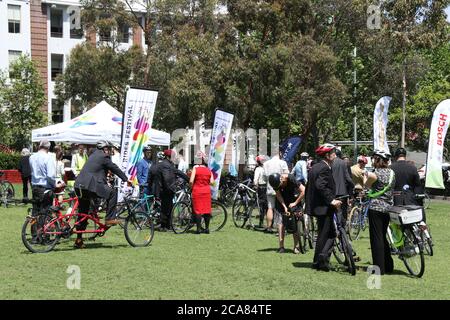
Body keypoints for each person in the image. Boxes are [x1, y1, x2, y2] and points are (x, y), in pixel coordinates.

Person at [73, 140, 131, 249]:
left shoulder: (93, 155)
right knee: (113, 192)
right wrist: (126, 179)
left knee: (83, 213)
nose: (109, 151)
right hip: (90, 185)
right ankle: (109, 218)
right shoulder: (104, 157)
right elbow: (114, 168)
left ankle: (79, 239)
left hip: (79, 185)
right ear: (105, 148)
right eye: (108, 149)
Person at [305, 143, 342, 272]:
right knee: (329, 234)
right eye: (333, 152)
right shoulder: (324, 168)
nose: (335, 154)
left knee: (324, 233)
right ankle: (321, 260)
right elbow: (321, 186)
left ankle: (317, 261)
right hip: (324, 206)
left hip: (317, 206)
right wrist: (332, 200)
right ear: (327, 155)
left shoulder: (315, 167)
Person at [365, 150, 395, 275]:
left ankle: (379, 268)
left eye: (374, 159)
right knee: (383, 237)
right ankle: (388, 265)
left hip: (376, 208)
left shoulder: (374, 173)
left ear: (378, 160)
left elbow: (366, 186)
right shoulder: (392, 173)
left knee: (376, 238)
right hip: (388, 208)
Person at [29, 140, 64, 242]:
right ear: (48, 148)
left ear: (40, 146)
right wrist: (55, 184)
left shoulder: (32, 157)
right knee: (46, 213)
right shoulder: (48, 158)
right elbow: (50, 175)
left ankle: (35, 236)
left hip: (35, 187)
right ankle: (45, 236)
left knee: (35, 212)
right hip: (45, 188)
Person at [268, 173, 305, 254]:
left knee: (294, 222)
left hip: (294, 198)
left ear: (282, 179)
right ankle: (281, 246)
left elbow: (303, 190)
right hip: (283, 200)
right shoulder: (275, 182)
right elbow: (278, 195)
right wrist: (284, 206)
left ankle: (296, 246)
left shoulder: (291, 178)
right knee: (281, 223)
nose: (280, 186)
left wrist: (295, 203)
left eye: (281, 184)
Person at [149, 149, 177, 231]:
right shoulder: (165, 165)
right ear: (169, 157)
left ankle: (168, 225)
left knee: (168, 208)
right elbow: (166, 179)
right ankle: (163, 226)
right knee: (165, 209)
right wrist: (172, 189)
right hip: (165, 190)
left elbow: (176, 172)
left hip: (165, 189)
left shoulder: (168, 164)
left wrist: (187, 178)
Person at [263, 150, 289, 233]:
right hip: (280, 187)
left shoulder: (266, 163)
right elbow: (286, 174)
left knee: (270, 208)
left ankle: (269, 227)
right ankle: (280, 229)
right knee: (281, 209)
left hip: (270, 187)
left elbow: (264, 177)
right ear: (279, 154)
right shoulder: (282, 163)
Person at [190, 151, 214, 234]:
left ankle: (198, 229)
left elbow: (191, 181)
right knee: (207, 210)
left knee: (198, 210)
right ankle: (207, 228)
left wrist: (191, 186)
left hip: (197, 191)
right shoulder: (208, 170)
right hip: (206, 191)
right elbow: (212, 182)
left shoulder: (195, 169)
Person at [332, 149, 354, 224]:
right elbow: (348, 178)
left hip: (332, 192)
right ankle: (342, 228)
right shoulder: (344, 163)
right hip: (342, 192)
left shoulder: (329, 163)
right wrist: (352, 186)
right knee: (343, 212)